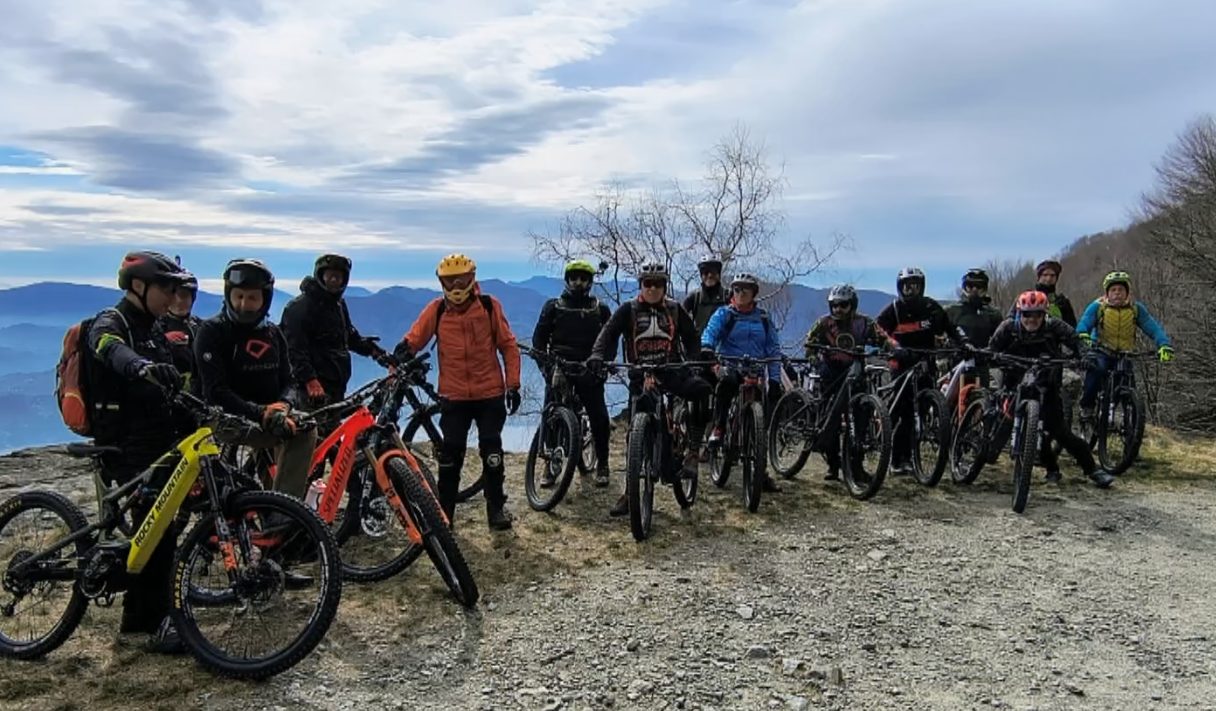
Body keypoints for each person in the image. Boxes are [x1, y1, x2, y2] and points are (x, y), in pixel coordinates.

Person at [87, 251, 193, 653]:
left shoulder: (154, 328)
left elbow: (173, 383)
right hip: (126, 444)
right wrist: (136, 366)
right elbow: (108, 347)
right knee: (157, 529)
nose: (173, 296)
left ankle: (139, 612)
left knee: (164, 527)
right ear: (139, 287)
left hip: (159, 439)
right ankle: (151, 624)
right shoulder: (113, 322)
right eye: (167, 288)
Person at [392, 254, 522, 530]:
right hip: (453, 396)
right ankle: (444, 515)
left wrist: (513, 384)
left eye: (461, 280)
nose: (456, 286)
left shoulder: (489, 307)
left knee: (492, 451)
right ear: (441, 282)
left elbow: (508, 346)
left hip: (489, 393)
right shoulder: (437, 310)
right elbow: (415, 338)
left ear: (472, 279)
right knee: (450, 457)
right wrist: (401, 353)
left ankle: (496, 508)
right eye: (449, 281)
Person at [588, 262, 712, 516]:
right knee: (635, 429)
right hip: (640, 375)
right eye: (648, 284)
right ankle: (630, 492)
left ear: (665, 287)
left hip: (672, 372)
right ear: (641, 286)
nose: (653, 288)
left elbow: (691, 339)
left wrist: (694, 362)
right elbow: (608, 333)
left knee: (702, 389)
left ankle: (691, 451)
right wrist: (597, 354)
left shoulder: (676, 310)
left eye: (658, 284)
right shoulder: (628, 310)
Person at [195, 259, 317, 500]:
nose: (243, 304)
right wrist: (261, 412)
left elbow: (290, 381)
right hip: (224, 417)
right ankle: (284, 512)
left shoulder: (274, 334)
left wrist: (285, 405)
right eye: (238, 296)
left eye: (252, 298)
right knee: (299, 434)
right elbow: (215, 391)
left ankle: (281, 504)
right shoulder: (212, 332)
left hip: (269, 414)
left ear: (265, 299)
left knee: (306, 426)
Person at [989, 290, 1115, 487]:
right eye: (1027, 315)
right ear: (1019, 313)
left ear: (1044, 314)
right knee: (1001, 422)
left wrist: (1085, 357)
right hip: (1014, 380)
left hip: (1046, 383)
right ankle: (981, 457)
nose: (1031, 320)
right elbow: (992, 348)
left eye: (1037, 315)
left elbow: (1077, 342)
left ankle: (1092, 469)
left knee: (1058, 431)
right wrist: (992, 357)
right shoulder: (1008, 327)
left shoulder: (1054, 326)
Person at [876, 267, 969, 474]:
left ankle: (912, 458)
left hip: (926, 363)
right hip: (901, 365)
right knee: (902, 410)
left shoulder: (931, 307)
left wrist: (963, 342)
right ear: (901, 288)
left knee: (923, 407)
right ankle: (896, 459)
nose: (911, 290)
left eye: (915, 286)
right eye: (907, 286)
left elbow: (950, 327)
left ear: (922, 287)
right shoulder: (894, 309)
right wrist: (894, 348)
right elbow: (879, 331)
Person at [804, 284, 899, 481]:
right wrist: (813, 357)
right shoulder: (823, 323)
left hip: (856, 372)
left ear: (852, 305)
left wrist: (894, 348)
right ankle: (832, 463)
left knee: (862, 416)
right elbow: (809, 343)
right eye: (834, 305)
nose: (838, 309)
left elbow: (883, 338)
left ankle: (856, 466)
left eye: (843, 305)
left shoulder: (865, 323)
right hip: (830, 372)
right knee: (830, 415)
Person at [531, 259, 613, 487]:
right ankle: (550, 462)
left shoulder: (600, 309)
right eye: (574, 278)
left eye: (583, 278)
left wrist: (603, 365)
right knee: (551, 415)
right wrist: (547, 369)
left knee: (598, 416)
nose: (578, 282)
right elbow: (538, 341)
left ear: (590, 281)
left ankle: (603, 462)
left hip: (590, 368)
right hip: (559, 367)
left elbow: (611, 340)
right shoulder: (553, 306)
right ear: (567, 280)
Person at [701, 272, 783, 492]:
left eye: (745, 289)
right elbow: (710, 333)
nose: (741, 293)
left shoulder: (764, 319)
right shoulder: (725, 314)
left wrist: (775, 379)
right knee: (726, 386)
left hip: (756, 370)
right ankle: (719, 427)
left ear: (754, 293)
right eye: (737, 289)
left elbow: (773, 350)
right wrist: (707, 347)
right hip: (731, 366)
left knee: (761, 420)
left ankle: (760, 471)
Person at [281, 253, 391, 408]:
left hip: (334, 388)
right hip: (308, 393)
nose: (333, 281)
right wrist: (310, 380)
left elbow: (348, 337)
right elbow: (293, 350)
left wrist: (373, 351)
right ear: (320, 276)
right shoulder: (299, 308)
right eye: (330, 276)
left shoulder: (337, 305)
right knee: (313, 431)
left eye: (338, 277)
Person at [1075, 270, 1174, 425]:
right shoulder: (1098, 307)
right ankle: (1087, 407)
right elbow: (1084, 323)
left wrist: (1164, 345)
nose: (1117, 293)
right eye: (1113, 290)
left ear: (1127, 291)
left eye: (1121, 290)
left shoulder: (1136, 309)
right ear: (1107, 293)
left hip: (1124, 354)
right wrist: (1083, 335)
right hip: (1102, 350)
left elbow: (1152, 328)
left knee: (1128, 386)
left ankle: (1131, 428)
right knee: (1096, 372)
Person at [946, 268, 1003, 386]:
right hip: (956, 363)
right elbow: (938, 335)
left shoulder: (993, 314)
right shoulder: (952, 311)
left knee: (984, 398)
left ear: (985, 289)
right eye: (970, 286)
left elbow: (1000, 339)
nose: (974, 290)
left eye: (979, 286)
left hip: (982, 364)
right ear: (964, 287)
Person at [155, 267, 202, 395]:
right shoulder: (154, 326)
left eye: (184, 296)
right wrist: (163, 340)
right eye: (174, 295)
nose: (179, 301)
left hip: (196, 396)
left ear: (193, 299)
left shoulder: (200, 327)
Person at [1007, 259, 1078, 327]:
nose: (1048, 278)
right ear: (1039, 277)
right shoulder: (1025, 297)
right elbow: (1010, 319)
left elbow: (1072, 326)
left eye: (1052, 275)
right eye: (1045, 275)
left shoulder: (1063, 302)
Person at [682, 255, 728, 336]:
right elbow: (679, 319)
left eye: (713, 272)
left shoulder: (727, 296)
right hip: (700, 345)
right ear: (701, 275)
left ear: (719, 274)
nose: (709, 276)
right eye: (706, 272)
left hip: (723, 345)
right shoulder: (694, 297)